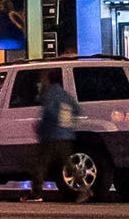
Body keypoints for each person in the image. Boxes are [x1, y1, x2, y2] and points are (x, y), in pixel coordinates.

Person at [25, 71, 85, 202]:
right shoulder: (65, 95)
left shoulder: (51, 94)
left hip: (52, 136)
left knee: (39, 164)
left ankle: (36, 193)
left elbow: (49, 113)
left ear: (50, 80)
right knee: (69, 165)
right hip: (66, 136)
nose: (43, 81)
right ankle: (85, 189)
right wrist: (69, 126)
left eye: (44, 79)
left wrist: (40, 129)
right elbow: (76, 109)